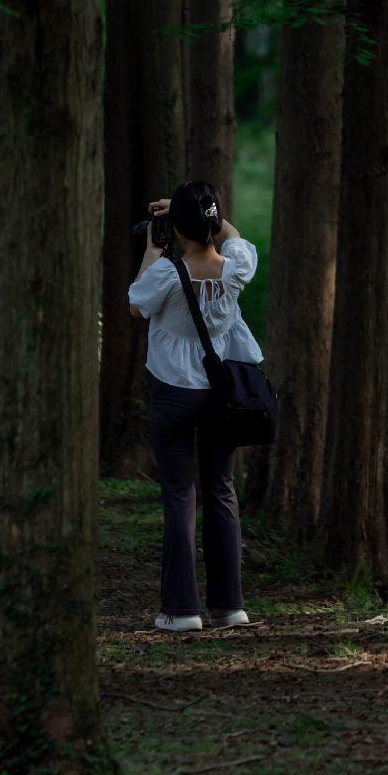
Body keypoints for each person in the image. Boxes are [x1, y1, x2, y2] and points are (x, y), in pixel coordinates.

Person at [127, 181, 262, 633]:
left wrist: (152, 246)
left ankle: (182, 610)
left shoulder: (166, 275)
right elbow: (234, 234)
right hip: (222, 392)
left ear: (178, 228)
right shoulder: (236, 268)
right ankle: (230, 606)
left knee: (180, 494)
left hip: (175, 391)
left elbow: (136, 305)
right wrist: (203, 215)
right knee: (221, 489)